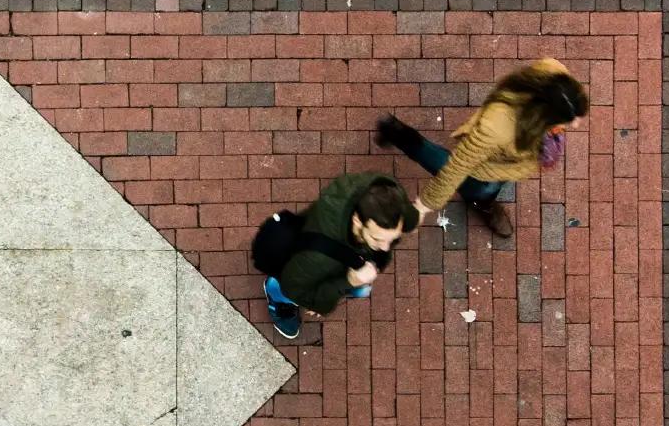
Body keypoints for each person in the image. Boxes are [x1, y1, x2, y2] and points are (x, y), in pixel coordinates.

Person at [375, 58, 588, 242]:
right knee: (471, 183)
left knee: (470, 178)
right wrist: (424, 206)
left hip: (508, 158)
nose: (576, 124)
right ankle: (398, 133)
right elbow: (456, 167)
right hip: (487, 168)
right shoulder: (496, 130)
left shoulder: (553, 71)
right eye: (569, 120)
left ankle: (395, 132)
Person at [251, 172, 415, 341]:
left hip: (342, 255)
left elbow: (407, 215)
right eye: (377, 239)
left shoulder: (380, 192)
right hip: (303, 271)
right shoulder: (316, 259)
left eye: (392, 239)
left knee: (362, 288)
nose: (385, 247)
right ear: (358, 220)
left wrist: (414, 217)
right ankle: (275, 294)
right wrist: (347, 282)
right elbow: (295, 289)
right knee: (356, 288)